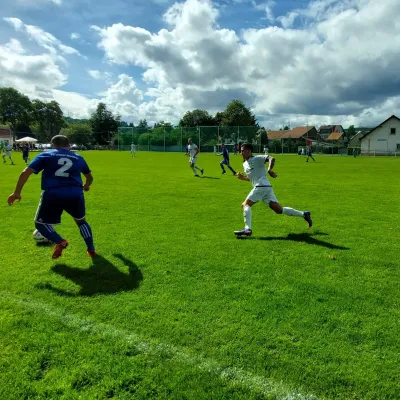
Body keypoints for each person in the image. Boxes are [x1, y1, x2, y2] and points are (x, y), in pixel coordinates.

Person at [7, 135, 96, 259]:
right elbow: (90, 177)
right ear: (69, 145)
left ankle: (60, 241)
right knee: (81, 222)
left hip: (53, 193)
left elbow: (25, 172)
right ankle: (91, 250)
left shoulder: (47, 155)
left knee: (40, 224)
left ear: (53, 145)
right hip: (75, 194)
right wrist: (86, 186)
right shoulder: (78, 157)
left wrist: (17, 192)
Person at [234, 143, 312, 237]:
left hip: (261, 186)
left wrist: (269, 169)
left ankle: (247, 229)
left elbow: (271, 158)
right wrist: (242, 178)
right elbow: (252, 178)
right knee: (279, 210)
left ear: (249, 151)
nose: (241, 152)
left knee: (245, 204)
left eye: (243, 150)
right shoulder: (245, 164)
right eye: (240, 151)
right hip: (265, 188)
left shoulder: (257, 159)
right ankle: (304, 214)